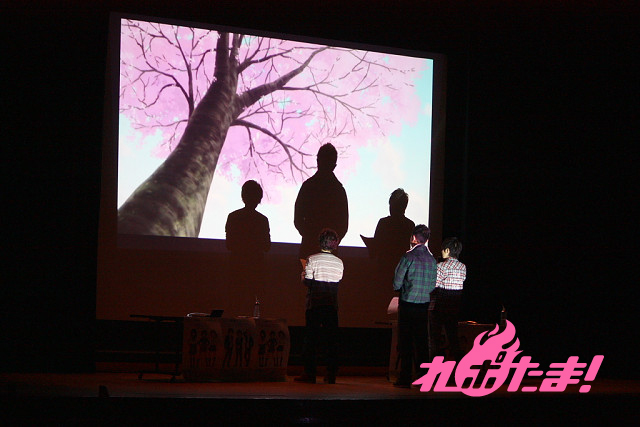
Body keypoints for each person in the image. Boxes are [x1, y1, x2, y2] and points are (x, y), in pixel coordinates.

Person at [294, 228, 344, 384]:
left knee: (311, 339)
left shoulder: (312, 259)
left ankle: (309, 373)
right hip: (331, 305)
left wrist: (303, 276)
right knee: (331, 340)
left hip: (315, 304)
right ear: (334, 244)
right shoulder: (339, 262)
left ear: (320, 242)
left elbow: (308, 281)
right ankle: (331, 374)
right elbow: (338, 279)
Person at [392, 224, 437, 388]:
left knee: (406, 342)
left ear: (413, 238)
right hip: (423, 305)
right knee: (421, 342)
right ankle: (423, 377)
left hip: (408, 304)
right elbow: (432, 286)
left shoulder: (408, 257)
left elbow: (397, 283)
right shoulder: (432, 260)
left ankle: (405, 378)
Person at [294, 143, 349, 267]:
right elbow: (343, 225)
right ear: (334, 165)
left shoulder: (308, 187)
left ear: (318, 161)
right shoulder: (339, 190)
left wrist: (310, 237)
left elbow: (298, 219)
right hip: (330, 254)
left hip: (308, 249)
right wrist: (331, 243)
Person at [225, 180, 271, 311]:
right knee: (251, 306)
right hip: (256, 268)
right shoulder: (262, 220)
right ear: (259, 198)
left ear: (243, 196)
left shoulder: (233, 217)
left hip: (236, 266)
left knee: (234, 304)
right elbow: (267, 246)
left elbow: (229, 245)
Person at [428, 237, 466, 362]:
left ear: (447, 250)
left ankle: (433, 366)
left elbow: (433, 287)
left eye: (443, 249)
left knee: (434, 339)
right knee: (453, 338)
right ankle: (460, 365)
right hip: (454, 307)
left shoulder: (441, 266)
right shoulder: (463, 267)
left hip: (439, 307)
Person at [371, 189, 415, 287]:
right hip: (402, 271)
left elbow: (375, 247)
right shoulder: (410, 225)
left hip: (383, 270)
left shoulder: (383, 223)